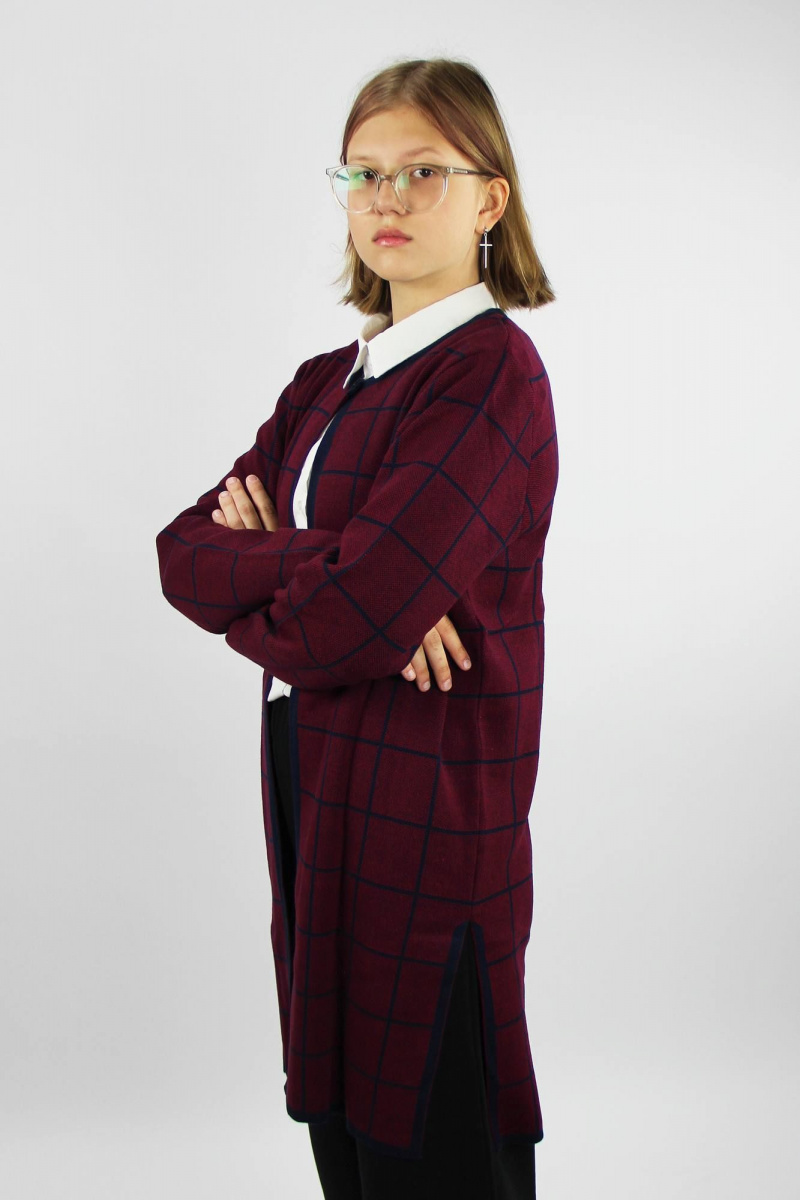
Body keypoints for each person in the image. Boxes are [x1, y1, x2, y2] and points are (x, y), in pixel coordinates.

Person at [156, 56, 558, 1199]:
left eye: (422, 172)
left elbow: (357, 615)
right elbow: (181, 554)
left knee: (433, 1140)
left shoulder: (490, 377)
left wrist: (334, 585)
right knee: (342, 1128)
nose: (386, 198)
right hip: (313, 784)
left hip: (428, 799)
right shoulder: (323, 383)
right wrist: (333, 568)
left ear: (487, 200)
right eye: (362, 173)